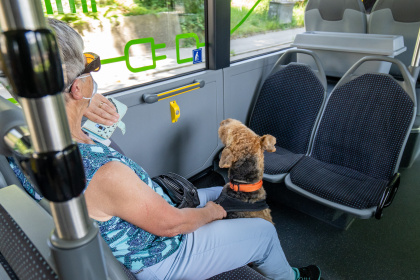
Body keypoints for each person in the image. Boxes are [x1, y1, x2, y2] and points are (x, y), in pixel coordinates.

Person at [10, 18, 322, 280]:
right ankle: (290, 276)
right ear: (76, 87)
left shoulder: (22, 143)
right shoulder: (104, 173)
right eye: (89, 67)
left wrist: (81, 104)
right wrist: (213, 213)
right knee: (261, 233)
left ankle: (237, 245)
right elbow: (170, 224)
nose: (94, 75)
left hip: (135, 220)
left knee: (226, 190)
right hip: (161, 253)